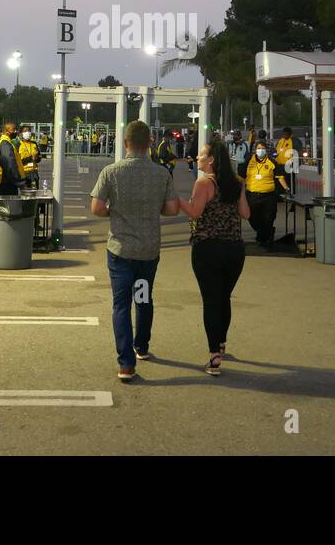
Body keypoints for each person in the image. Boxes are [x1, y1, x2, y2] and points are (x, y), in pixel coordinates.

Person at [90, 120, 179, 382]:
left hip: (120, 249)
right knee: (143, 297)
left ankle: (126, 364)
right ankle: (142, 346)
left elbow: (96, 208)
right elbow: (172, 209)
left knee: (120, 305)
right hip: (148, 250)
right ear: (150, 143)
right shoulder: (161, 173)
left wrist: (113, 212)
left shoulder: (111, 172)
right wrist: (154, 211)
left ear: (126, 143)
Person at [177, 142, 250, 375]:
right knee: (223, 298)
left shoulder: (204, 183)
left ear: (210, 160)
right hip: (235, 249)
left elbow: (195, 212)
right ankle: (221, 344)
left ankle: (214, 357)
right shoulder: (236, 183)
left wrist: (178, 201)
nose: (197, 156)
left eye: (201, 154)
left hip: (208, 248)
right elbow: (245, 214)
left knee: (211, 300)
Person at [0, 121, 24, 195]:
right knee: (10, 205)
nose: (16, 131)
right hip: (7, 182)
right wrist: (20, 182)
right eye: (13, 130)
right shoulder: (5, 144)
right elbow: (10, 164)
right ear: (6, 132)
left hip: (5, 181)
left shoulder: (4, 143)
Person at [275, 125, 300, 196]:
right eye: (283, 134)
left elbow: (297, 152)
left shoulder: (294, 141)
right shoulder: (281, 140)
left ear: (290, 133)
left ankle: (292, 195)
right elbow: (277, 150)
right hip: (280, 165)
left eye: (286, 134)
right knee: (281, 182)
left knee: (290, 182)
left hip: (289, 166)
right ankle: (281, 196)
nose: (284, 135)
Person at [18, 124, 41, 189]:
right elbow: (18, 161)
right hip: (24, 173)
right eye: (25, 131)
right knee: (25, 194)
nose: (27, 132)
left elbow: (38, 159)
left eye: (29, 131)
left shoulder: (34, 144)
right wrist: (31, 158)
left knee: (35, 193)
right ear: (21, 134)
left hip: (34, 172)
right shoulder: (18, 145)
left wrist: (37, 158)